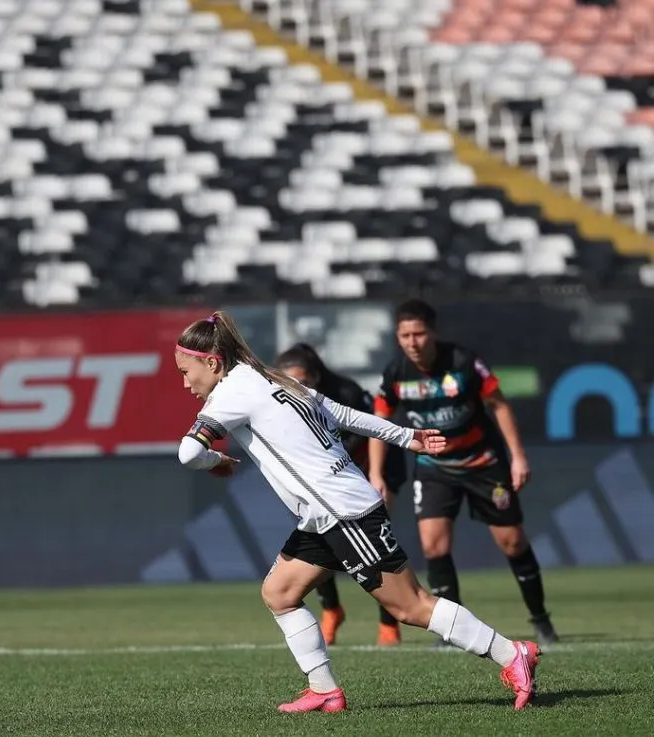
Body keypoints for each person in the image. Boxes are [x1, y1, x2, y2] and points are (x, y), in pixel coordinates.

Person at [174, 310, 541, 713]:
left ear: (212, 362)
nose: (185, 382)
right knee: (280, 592)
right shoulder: (275, 377)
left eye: (185, 370)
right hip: (326, 512)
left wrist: (217, 462)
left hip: (342, 512)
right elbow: (344, 415)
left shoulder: (231, 393)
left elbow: (188, 453)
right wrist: (405, 436)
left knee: (411, 606)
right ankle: (324, 690)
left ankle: (511, 654)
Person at [367, 299, 558, 647]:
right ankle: (452, 630)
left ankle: (541, 619)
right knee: (433, 545)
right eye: (404, 335)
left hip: (483, 463)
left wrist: (517, 457)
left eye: (419, 333)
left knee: (512, 542)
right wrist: (376, 474)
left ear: (433, 333)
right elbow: (379, 423)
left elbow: (499, 405)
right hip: (434, 467)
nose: (412, 342)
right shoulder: (396, 373)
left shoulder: (463, 362)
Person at [275, 343, 407, 647]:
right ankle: (332, 610)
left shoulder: (345, 393)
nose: (296, 388)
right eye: (287, 382)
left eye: (303, 381)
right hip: (330, 480)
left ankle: (389, 622)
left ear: (317, 377)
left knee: (376, 546)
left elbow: (367, 429)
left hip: (376, 466)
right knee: (321, 541)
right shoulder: (283, 403)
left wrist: (374, 475)